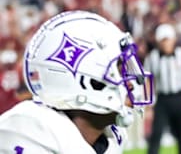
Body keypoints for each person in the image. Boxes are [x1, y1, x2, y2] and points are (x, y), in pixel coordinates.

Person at [0, 10, 154, 153]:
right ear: (86, 80)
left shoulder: (111, 138)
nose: (130, 83)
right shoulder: (32, 130)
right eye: (119, 71)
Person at [144, 24, 181, 154]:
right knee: (156, 135)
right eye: (163, 40)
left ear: (173, 40)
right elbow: (148, 82)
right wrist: (148, 105)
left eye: (168, 39)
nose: (166, 43)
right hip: (162, 100)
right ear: (158, 41)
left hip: (179, 98)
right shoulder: (152, 58)